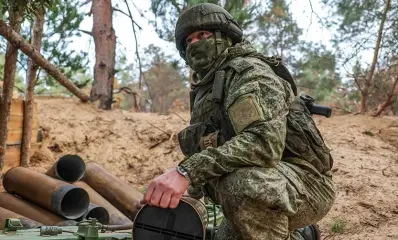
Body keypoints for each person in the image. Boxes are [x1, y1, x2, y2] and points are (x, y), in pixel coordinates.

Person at [141, 3, 335, 240]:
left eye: (203, 35)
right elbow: (216, 149)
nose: (195, 43)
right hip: (260, 187)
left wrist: (186, 172)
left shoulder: (250, 73)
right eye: (189, 40)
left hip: (305, 184)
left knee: (242, 186)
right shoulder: (207, 90)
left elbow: (264, 145)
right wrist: (184, 190)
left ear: (225, 37)